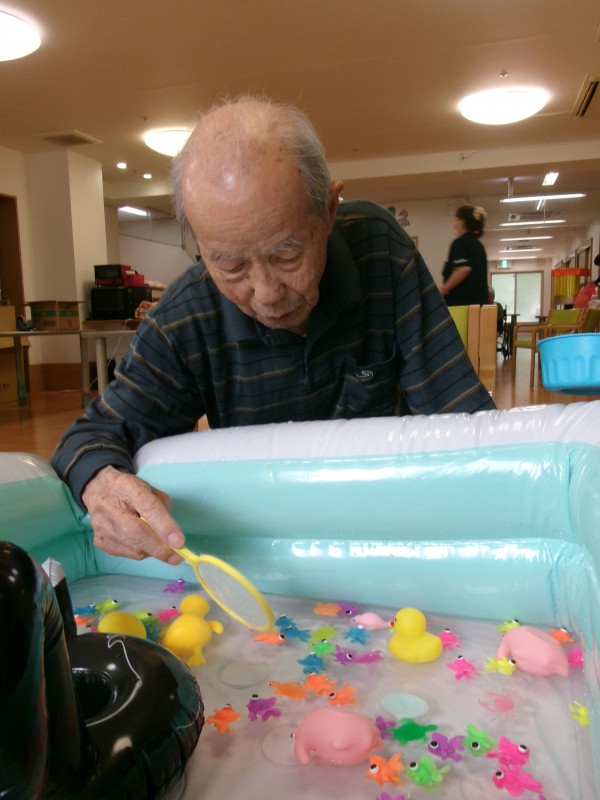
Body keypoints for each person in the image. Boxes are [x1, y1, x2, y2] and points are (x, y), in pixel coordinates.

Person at [52, 96, 495, 565]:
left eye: (287, 254)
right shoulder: (186, 316)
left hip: (386, 531)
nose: (265, 294)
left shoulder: (379, 252)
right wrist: (103, 485)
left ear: (328, 210)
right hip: (266, 552)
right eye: (230, 265)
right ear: (200, 246)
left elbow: (466, 424)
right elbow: (90, 436)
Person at [440, 205, 489, 306]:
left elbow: (463, 269)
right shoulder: (479, 246)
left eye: (456, 220)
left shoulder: (460, 243)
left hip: (462, 306)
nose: (454, 225)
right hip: (479, 305)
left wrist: (444, 289)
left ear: (463, 222)